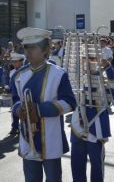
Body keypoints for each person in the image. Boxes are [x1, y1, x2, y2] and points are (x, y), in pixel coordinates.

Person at [11, 27, 76, 182]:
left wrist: (39, 110)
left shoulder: (59, 74)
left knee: (53, 179)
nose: (28, 52)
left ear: (46, 49)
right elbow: (15, 100)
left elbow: (70, 103)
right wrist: (18, 109)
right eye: (26, 47)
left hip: (50, 138)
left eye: (33, 47)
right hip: (28, 137)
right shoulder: (18, 75)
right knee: (31, 178)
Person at [69, 55, 114, 182]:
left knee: (96, 165)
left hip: (96, 128)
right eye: (86, 60)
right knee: (77, 164)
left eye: (92, 60)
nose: (89, 63)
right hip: (77, 127)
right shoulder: (75, 78)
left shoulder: (104, 79)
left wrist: (108, 67)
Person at [8, 52, 25, 135]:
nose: (14, 64)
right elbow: (11, 84)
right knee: (14, 112)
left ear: (21, 62)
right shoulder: (11, 72)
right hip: (15, 95)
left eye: (15, 62)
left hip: (23, 95)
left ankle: (23, 127)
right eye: (13, 62)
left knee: (23, 112)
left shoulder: (26, 71)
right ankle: (15, 127)